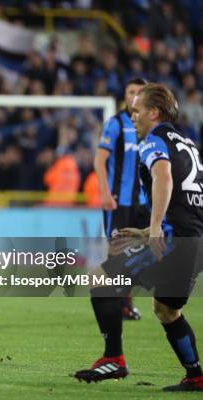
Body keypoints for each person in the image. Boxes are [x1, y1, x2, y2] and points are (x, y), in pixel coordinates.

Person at [75, 83, 203, 391]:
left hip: (174, 241)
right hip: (195, 241)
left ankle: (114, 358)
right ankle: (196, 376)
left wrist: (156, 226)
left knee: (101, 278)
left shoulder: (154, 139)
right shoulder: (187, 142)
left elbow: (163, 175)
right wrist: (150, 229)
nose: (133, 117)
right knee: (167, 310)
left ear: (154, 112)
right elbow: (188, 199)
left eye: (137, 110)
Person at [94, 77, 148, 320]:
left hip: (141, 202)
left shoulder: (148, 127)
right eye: (131, 91)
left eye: (139, 92)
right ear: (125, 96)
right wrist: (105, 193)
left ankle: (124, 301)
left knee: (139, 254)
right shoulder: (115, 124)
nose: (134, 96)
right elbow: (99, 160)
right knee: (117, 252)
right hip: (117, 201)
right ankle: (115, 303)